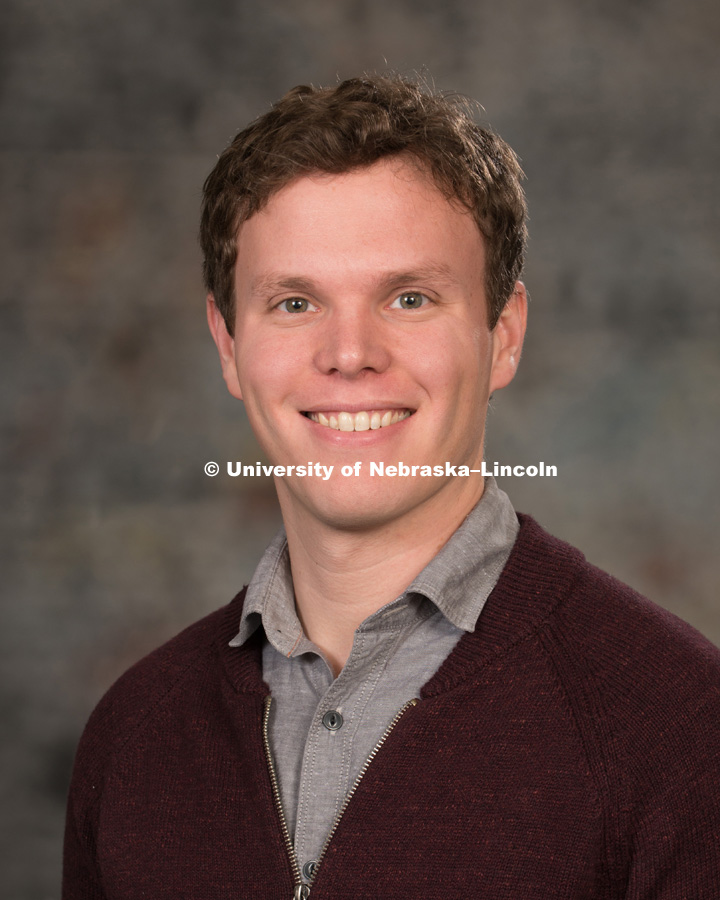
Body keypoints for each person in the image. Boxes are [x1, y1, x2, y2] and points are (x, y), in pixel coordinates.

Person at [63, 75, 720, 899]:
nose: (349, 353)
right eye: (296, 302)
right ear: (229, 345)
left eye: (409, 298)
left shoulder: (680, 725)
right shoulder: (133, 735)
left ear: (504, 335)